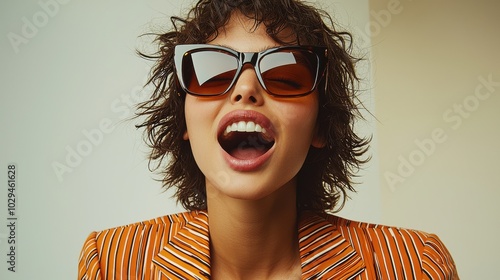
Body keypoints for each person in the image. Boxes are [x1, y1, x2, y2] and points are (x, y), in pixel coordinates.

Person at [78, 0, 459, 279]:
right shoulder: (112, 263)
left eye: (285, 75)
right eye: (211, 72)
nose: (245, 89)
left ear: (321, 127)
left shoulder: (413, 265)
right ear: (185, 121)